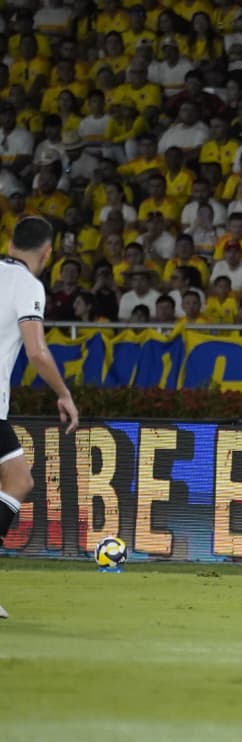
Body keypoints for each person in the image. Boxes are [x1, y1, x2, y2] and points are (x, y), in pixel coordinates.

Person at [0, 218, 81, 620]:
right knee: (19, 481)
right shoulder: (28, 286)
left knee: (20, 479)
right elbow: (37, 352)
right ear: (47, 253)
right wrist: (64, 394)